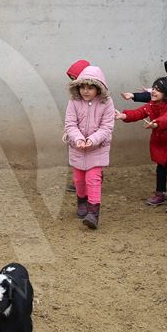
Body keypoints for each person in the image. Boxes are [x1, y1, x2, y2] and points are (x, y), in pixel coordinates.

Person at [115, 77, 167, 213]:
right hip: (161, 142)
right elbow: (139, 113)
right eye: (154, 88)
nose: (154, 91)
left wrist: (156, 123)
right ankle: (160, 193)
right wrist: (123, 116)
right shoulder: (151, 105)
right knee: (161, 169)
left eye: (158, 90)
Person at [64, 65, 115, 230]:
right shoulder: (74, 101)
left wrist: (92, 140)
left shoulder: (107, 103)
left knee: (93, 179)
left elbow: (107, 127)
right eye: (83, 87)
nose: (86, 91)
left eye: (90, 87)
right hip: (77, 147)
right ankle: (81, 201)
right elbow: (70, 124)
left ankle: (93, 213)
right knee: (79, 179)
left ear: (99, 88)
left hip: (97, 148)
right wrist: (78, 139)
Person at [64, 59, 91, 193]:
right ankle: (80, 182)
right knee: (78, 157)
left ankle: (92, 181)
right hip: (78, 132)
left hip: (92, 133)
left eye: (76, 78)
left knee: (92, 158)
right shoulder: (75, 97)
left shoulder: (98, 96)